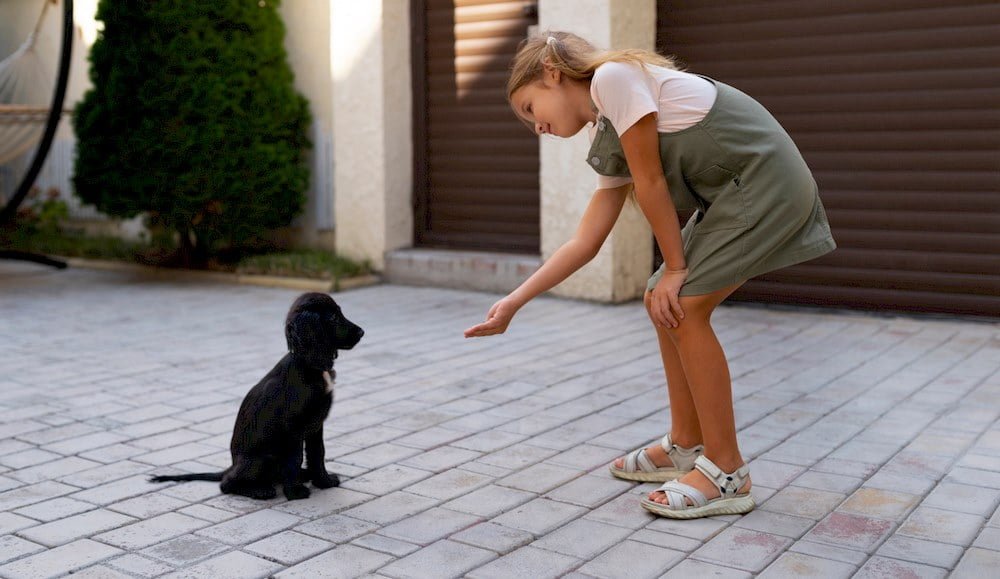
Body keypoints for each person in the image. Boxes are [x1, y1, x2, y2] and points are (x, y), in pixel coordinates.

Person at [464, 31, 836, 519]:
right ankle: (686, 444)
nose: (536, 127)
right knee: (659, 300)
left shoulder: (614, 79)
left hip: (765, 184)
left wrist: (677, 268)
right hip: (736, 192)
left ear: (552, 75)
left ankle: (726, 470)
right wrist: (515, 301)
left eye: (531, 109)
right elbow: (585, 242)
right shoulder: (610, 123)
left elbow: (652, 182)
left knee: (684, 305)